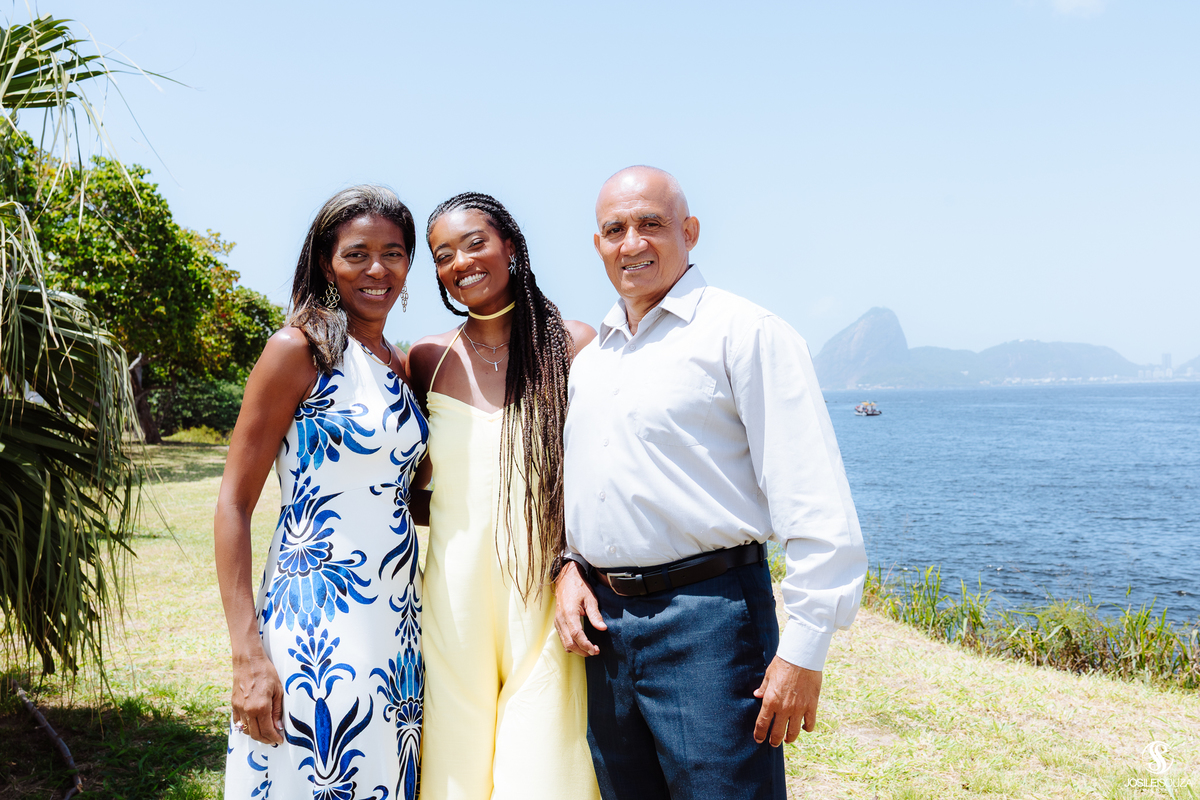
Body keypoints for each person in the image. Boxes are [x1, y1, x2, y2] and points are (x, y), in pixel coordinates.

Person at [554, 166, 868, 800]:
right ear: (598, 245)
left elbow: (813, 495)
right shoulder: (593, 360)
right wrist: (567, 565)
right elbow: (586, 483)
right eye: (615, 229)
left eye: (651, 223)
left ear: (690, 232)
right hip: (607, 630)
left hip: (711, 622)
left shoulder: (744, 332)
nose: (632, 243)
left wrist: (804, 650)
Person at [217, 185, 427, 800]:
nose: (377, 269)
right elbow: (233, 503)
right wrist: (247, 655)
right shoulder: (298, 351)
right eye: (357, 253)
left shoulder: (399, 364)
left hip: (397, 620)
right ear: (326, 264)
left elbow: (399, 493)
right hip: (317, 622)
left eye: (393, 253)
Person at [408, 193, 601, 800]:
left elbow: (598, 475)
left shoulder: (573, 345)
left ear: (509, 246)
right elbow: (414, 482)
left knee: (544, 768)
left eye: (475, 244)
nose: (461, 262)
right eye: (443, 255)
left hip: (543, 590)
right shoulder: (427, 358)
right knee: (454, 769)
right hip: (453, 594)